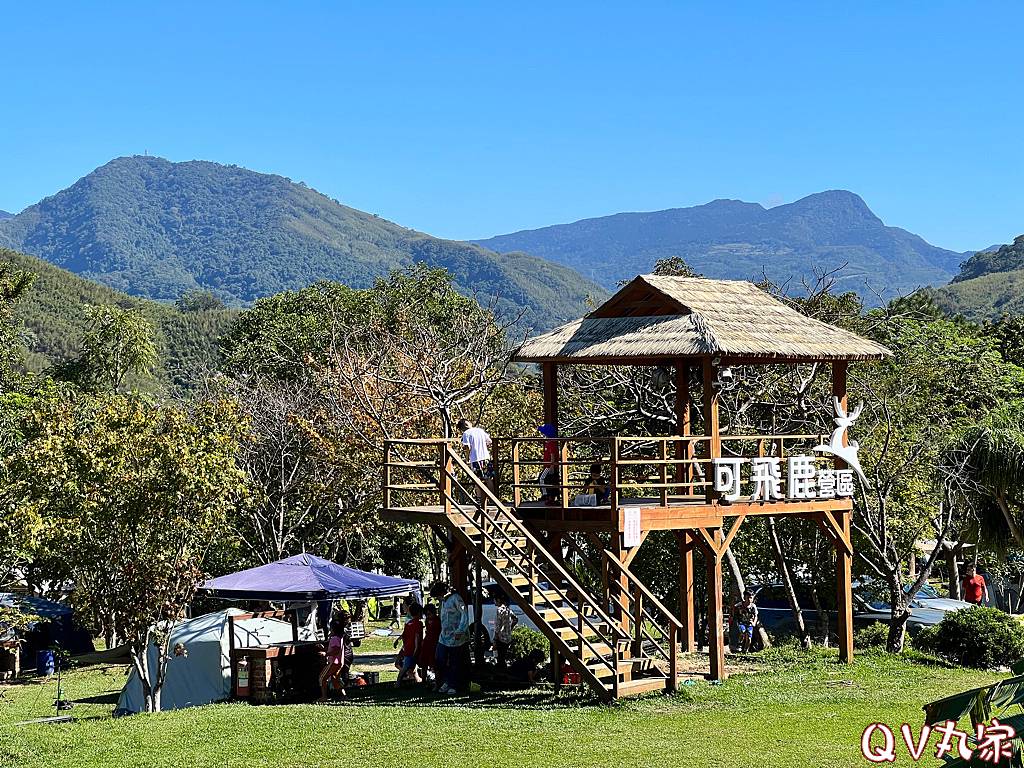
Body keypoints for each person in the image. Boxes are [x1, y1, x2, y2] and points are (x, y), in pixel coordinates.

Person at [430, 580, 470, 695]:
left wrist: (460, 630)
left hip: (456, 637)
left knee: (454, 661)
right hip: (444, 636)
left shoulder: (456, 599)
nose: (438, 599)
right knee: (440, 659)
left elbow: (464, 614)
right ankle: (446, 681)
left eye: (438, 596)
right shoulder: (443, 602)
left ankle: (453, 684)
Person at [319, 613, 357, 701]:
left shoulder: (335, 638)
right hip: (339, 662)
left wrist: (326, 654)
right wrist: (323, 648)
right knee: (335, 679)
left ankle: (324, 697)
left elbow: (336, 651)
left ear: (333, 629)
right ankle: (344, 696)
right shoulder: (340, 638)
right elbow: (333, 648)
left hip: (334, 662)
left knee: (322, 678)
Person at [458, 418, 494, 504]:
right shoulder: (480, 430)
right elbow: (489, 442)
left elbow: (467, 447)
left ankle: (479, 498)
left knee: (477, 480)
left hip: (475, 459)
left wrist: (467, 459)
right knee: (488, 478)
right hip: (486, 457)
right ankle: (492, 498)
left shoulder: (466, 434)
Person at [394, 603, 423, 684]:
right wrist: (417, 649)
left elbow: (404, 635)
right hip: (414, 649)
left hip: (407, 648)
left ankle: (418, 681)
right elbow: (417, 637)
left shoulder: (408, 623)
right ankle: (398, 683)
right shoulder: (419, 624)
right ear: (419, 613)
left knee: (412, 668)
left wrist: (397, 641)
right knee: (406, 667)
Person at [493, 592, 518, 670]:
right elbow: (515, 619)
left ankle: (501, 671)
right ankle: (503, 670)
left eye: (495, 600)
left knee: (500, 657)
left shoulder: (499, 610)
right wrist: (510, 627)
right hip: (508, 636)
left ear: (498, 600)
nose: (494, 601)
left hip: (501, 637)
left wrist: (495, 638)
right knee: (503, 656)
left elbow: (497, 625)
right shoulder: (507, 609)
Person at [418, 602, 442, 683]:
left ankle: (438, 680)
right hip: (427, 643)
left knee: (435, 663)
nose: (428, 616)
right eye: (427, 614)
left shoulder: (438, 621)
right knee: (424, 663)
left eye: (429, 614)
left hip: (435, 643)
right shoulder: (427, 620)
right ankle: (423, 680)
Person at [537, 423, 559, 505]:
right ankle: (548, 496)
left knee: (542, 478)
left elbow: (552, 455)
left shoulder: (551, 443)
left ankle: (546, 495)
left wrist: (552, 465)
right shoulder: (549, 443)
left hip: (549, 465)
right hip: (548, 465)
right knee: (548, 480)